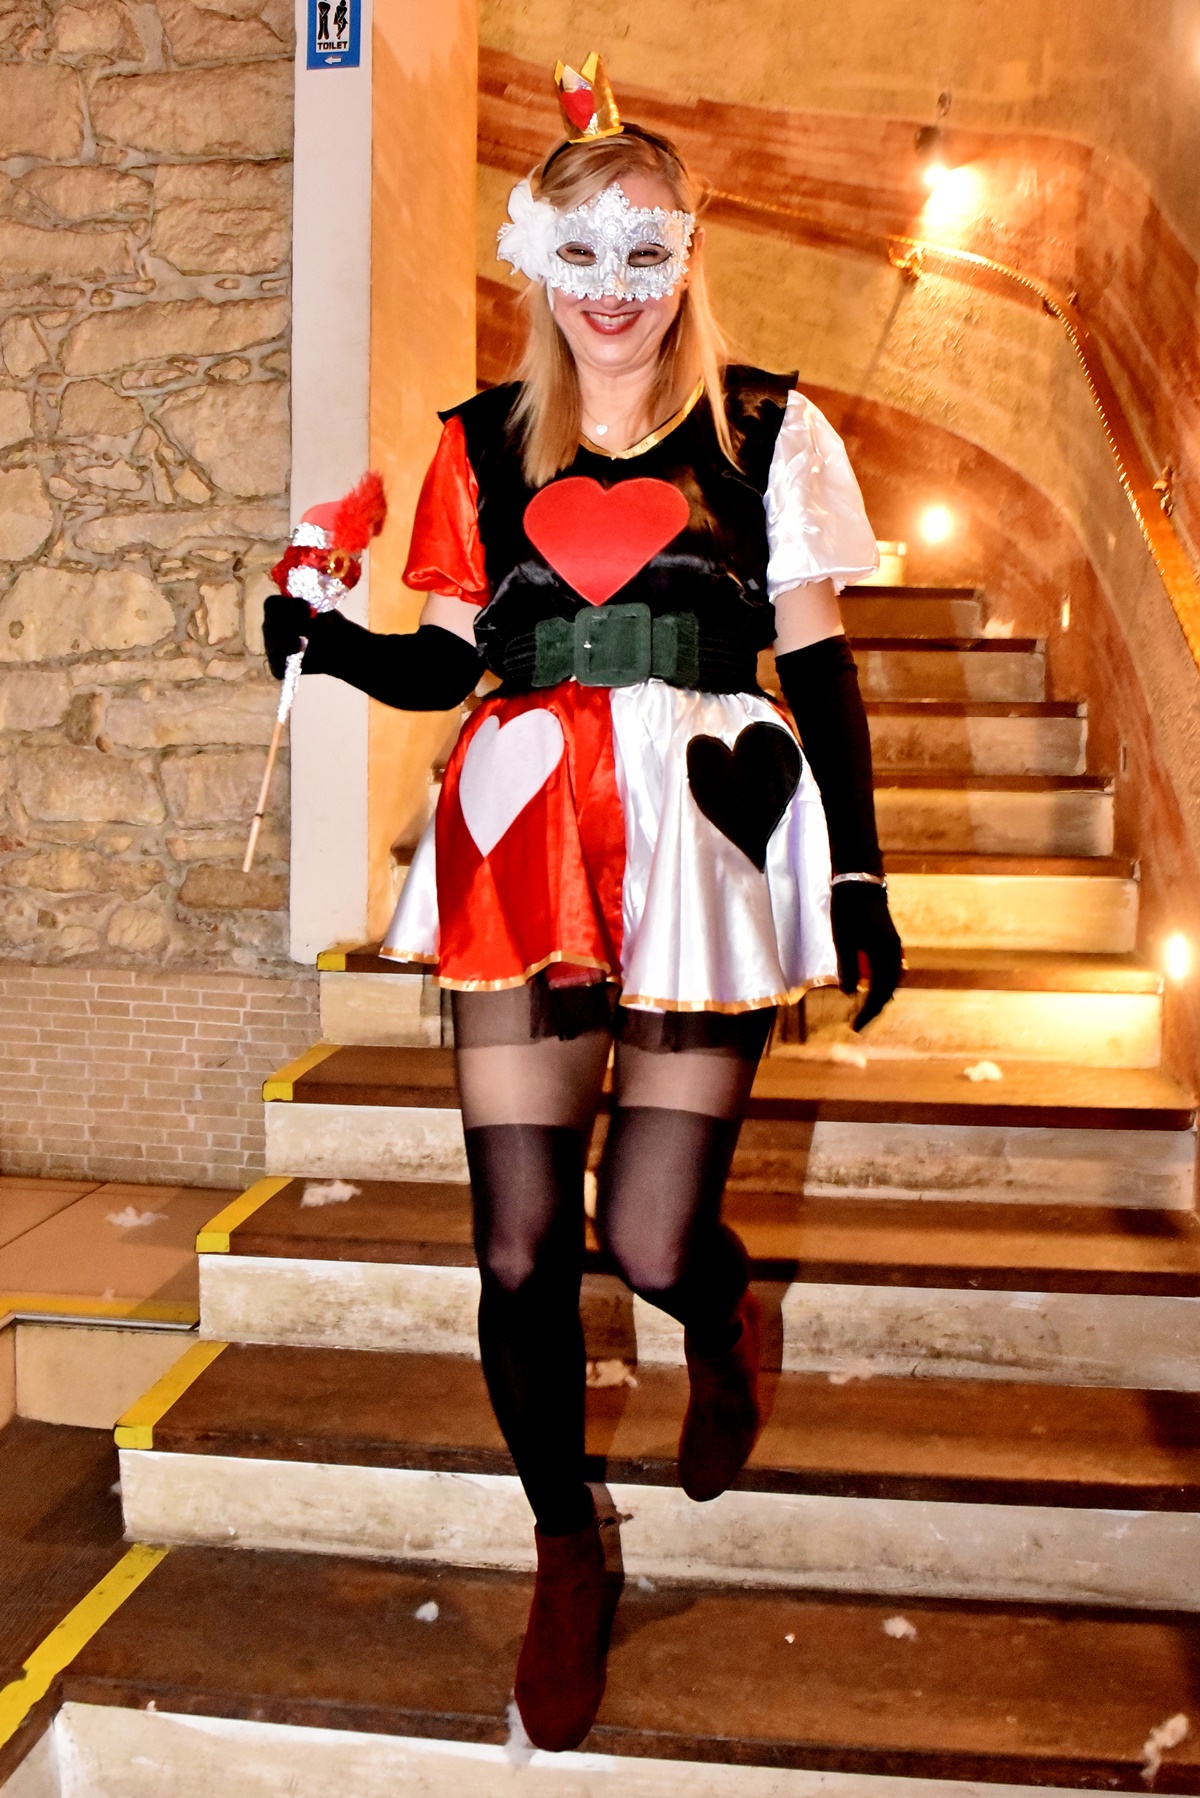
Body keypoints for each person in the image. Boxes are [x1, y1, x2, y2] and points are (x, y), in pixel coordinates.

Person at [264, 53, 902, 1756]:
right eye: (581, 254)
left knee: (650, 1237)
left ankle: (723, 1313)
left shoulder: (767, 431)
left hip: (702, 837)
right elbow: (450, 661)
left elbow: (822, 666)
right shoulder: (479, 443)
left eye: (644, 252)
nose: (612, 290)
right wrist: (325, 643)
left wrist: (854, 867)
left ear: (685, 258)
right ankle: (563, 1548)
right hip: (522, 834)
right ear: (532, 262)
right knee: (521, 1242)